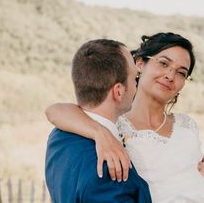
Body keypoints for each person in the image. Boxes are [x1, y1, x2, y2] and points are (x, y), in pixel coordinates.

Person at [45, 33, 204, 203]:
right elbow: (55, 111)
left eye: (181, 72)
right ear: (140, 64)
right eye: (163, 63)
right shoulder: (113, 120)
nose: (170, 75)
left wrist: (202, 182)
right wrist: (100, 134)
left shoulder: (186, 125)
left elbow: (190, 179)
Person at [44, 39, 152, 203]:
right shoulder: (110, 169)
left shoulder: (59, 135)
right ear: (118, 91)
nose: (137, 85)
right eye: (135, 78)